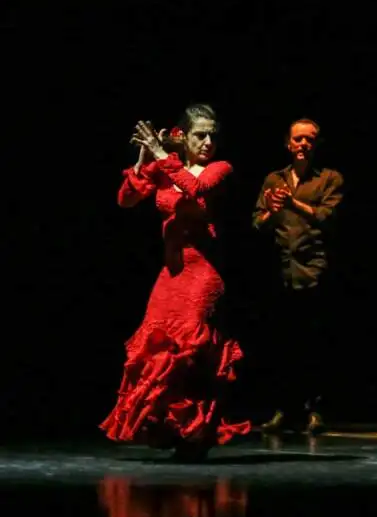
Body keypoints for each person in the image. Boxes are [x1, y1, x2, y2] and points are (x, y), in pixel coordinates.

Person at [101, 104, 251, 461]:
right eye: (201, 134)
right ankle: (170, 428)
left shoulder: (220, 168)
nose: (209, 141)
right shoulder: (165, 168)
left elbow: (196, 189)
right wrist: (143, 156)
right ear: (184, 136)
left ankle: (197, 432)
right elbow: (126, 199)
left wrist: (161, 154)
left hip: (203, 273)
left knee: (192, 353)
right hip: (170, 275)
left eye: (213, 134)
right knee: (157, 352)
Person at [252, 118, 344, 435]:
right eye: (298, 139)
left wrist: (292, 202)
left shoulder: (329, 179)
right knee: (282, 343)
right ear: (288, 144)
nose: (303, 144)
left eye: (309, 139)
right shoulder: (273, 179)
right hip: (281, 272)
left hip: (314, 270)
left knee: (314, 344)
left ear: (317, 144)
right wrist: (272, 212)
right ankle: (283, 409)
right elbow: (256, 223)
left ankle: (314, 410)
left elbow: (328, 217)